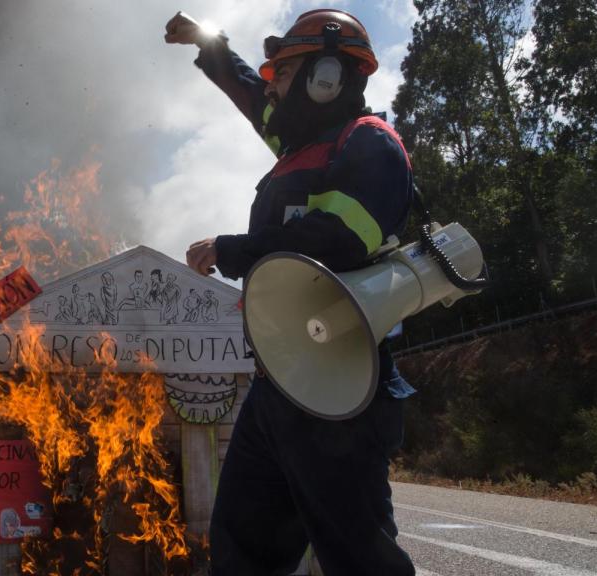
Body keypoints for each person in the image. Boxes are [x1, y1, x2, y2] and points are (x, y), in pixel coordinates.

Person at [166, 9, 417, 575]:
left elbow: (342, 240)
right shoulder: (298, 143)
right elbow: (247, 89)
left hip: (339, 390)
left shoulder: (369, 146)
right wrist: (206, 42)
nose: (272, 83)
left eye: (283, 71)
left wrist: (235, 249)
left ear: (326, 77)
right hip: (278, 383)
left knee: (358, 556)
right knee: (241, 549)